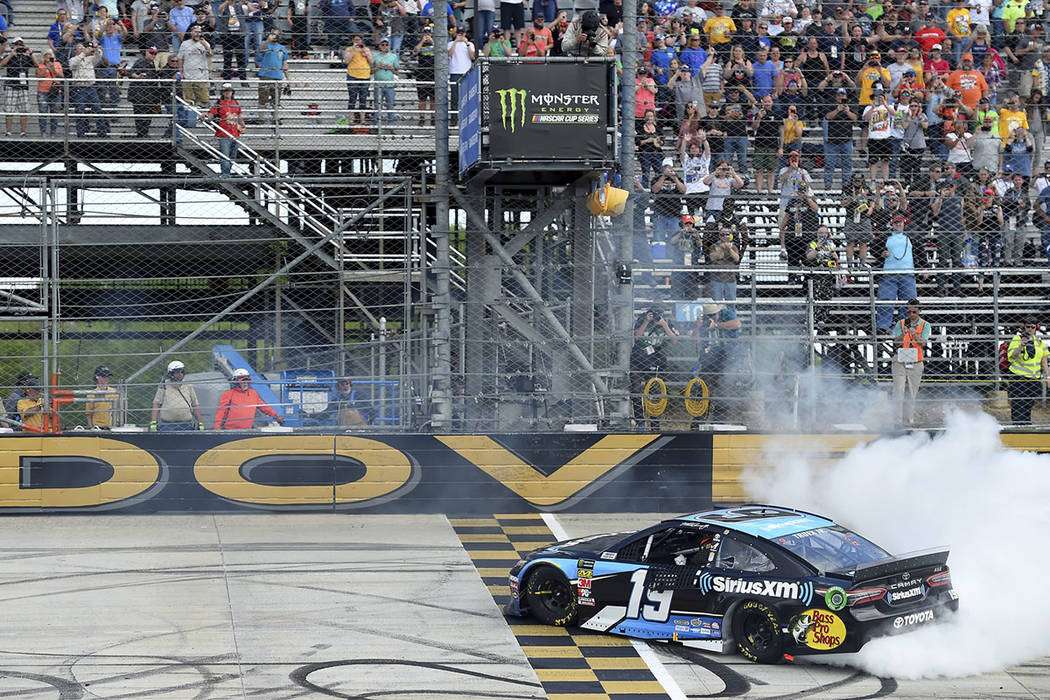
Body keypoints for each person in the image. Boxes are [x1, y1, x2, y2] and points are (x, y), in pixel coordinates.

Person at [691, 300, 741, 422]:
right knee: (703, 389)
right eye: (709, 315)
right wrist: (698, 327)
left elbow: (737, 324)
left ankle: (719, 420)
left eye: (714, 314)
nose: (712, 317)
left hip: (726, 357)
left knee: (724, 389)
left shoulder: (726, 314)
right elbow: (694, 341)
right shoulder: (702, 321)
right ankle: (700, 419)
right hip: (708, 359)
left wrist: (717, 325)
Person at [630, 305, 679, 425]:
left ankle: (654, 422)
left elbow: (674, 340)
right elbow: (636, 337)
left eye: (659, 315)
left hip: (653, 359)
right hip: (638, 358)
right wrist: (647, 321)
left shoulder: (666, 322)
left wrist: (664, 325)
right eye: (654, 315)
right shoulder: (643, 319)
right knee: (636, 389)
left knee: (653, 389)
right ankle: (640, 421)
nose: (656, 317)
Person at [876, 213, 921, 332]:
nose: (898, 225)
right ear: (892, 224)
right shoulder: (885, 237)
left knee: (909, 301)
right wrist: (881, 253)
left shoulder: (910, 237)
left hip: (908, 273)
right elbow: (874, 247)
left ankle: (906, 325)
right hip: (889, 273)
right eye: (896, 222)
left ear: (904, 223)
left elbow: (920, 252)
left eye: (900, 222)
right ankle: (883, 326)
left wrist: (924, 268)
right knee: (886, 300)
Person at [891, 299, 930, 425]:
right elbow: (895, 343)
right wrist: (902, 335)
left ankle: (909, 419)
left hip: (916, 359)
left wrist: (915, 335)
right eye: (909, 312)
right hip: (900, 358)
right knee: (899, 390)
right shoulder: (901, 323)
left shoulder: (925, 325)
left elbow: (924, 343)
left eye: (914, 312)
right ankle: (897, 420)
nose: (911, 314)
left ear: (919, 311)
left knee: (912, 391)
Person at [1006, 317, 1050, 424]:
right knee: (1018, 404)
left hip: (1033, 379)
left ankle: (1026, 424)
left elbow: (1044, 361)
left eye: (1033, 327)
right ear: (1024, 327)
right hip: (1018, 377)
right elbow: (1012, 356)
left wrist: (1048, 377)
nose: (1030, 329)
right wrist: (1021, 345)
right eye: (1028, 327)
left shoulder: (1039, 342)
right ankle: (1018, 426)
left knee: (1028, 404)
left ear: (1036, 328)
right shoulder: (1017, 338)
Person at [214, 368, 284, 429]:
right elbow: (221, 411)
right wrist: (217, 426)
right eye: (243, 381)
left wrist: (276, 416)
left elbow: (264, 407)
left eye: (247, 381)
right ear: (236, 381)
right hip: (230, 430)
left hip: (246, 430)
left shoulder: (253, 393)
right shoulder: (228, 394)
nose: (245, 383)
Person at [150, 359, 203, 431]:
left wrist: (200, 422)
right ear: (171, 374)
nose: (180, 374)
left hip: (186, 425)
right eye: (177, 372)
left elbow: (195, 405)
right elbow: (156, 404)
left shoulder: (188, 386)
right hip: (167, 425)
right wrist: (153, 423)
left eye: (182, 372)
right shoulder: (164, 386)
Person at [805, 224, 840, 330]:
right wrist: (817, 248)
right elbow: (809, 257)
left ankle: (821, 318)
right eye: (820, 233)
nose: (823, 235)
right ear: (816, 234)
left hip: (828, 274)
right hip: (815, 274)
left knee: (827, 295)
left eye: (825, 233)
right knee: (817, 291)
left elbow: (837, 262)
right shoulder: (812, 244)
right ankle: (813, 318)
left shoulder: (831, 245)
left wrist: (836, 257)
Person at [0, 38, 36, 138]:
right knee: (9, 110)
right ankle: (8, 132)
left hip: (23, 87)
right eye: (17, 44)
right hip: (11, 86)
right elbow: (1, 65)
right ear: (13, 45)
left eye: (21, 44)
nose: (19, 46)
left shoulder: (26, 57)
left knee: (24, 110)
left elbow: (37, 65)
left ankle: (23, 132)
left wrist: (31, 53)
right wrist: (12, 53)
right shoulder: (9, 56)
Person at [210, 82, 244, 176]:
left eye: (229, 91)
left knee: (232, 157)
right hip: (223, 134)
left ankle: (227, 173)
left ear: (232, 92)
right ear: (222, 92)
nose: (227, 93)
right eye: (225, 91)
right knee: (225, 157)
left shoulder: (235, 103)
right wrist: (205, 114)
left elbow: (239, 117)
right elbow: (211, 115)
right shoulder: (218, 103)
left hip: (235, 134)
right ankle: (225, 175)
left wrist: (243, 126)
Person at [257, 28, 288, 125]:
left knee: (276, 98)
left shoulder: (282, 48)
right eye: (272, 34)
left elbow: (285, 63)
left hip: (278, 76)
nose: (274, 36)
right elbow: (261, 49)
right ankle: (260, 118)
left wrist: (288, 79)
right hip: (266, 75)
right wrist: (268, 40)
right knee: (263, 97)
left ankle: (275, 118)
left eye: (276, 34)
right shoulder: (266, 44)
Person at [177, 23, 212, 108]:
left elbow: (210, 55)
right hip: (187, 75)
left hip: (201, 76)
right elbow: (180, 59)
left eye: (199, 32)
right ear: (191, 33)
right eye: (195, 32)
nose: (197, 34)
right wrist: (181, 72)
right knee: (187, 100)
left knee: (204, 100)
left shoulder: (205, 43)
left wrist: (206, 46)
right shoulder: (185, 44)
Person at [344, 34, 373, 128]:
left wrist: (366, 52)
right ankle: (351, 120)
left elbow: (372, 61)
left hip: (365, 76)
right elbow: (346, 61)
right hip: (353, 75)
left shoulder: (366, 49)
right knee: (352, 98)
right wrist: (353, 50)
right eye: (355, 40)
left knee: (363, 98)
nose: (357, 42)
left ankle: (363, 120)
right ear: (352, 40)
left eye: (359, 40)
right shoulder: (349, 49)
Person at [372, 37, 399, 125]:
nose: (384, 46)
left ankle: (391, 125)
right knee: (377, 106)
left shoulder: (393, 56)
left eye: (386, 45)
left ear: (389, 46)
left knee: (390, 105)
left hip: (390, 85)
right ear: (379, 46)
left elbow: (397, 71)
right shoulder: (375, 56)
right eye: (382, 44)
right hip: (378, 85)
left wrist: (392, 68)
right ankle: (377, 124)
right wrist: (377, 67)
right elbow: (370, 71)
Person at [85, 365, 120, 429]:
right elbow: (89, 414)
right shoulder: (91, 394)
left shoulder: (114, 391)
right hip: (98, 426)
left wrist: (123, 393)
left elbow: (123, 408)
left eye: (108, 376)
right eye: (104, 376)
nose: (107, 378)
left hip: (113, 426)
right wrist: (91, 428)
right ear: (97, 377)